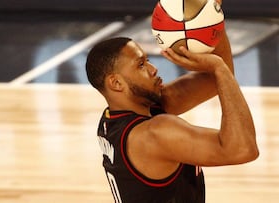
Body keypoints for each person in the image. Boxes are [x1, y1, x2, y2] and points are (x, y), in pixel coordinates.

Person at [85, 29, 259, 202]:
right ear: (116, 83)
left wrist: (213, 23)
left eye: (148, 60)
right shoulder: (154, 134)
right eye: (141, 65)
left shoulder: (114, 118)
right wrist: (219, 68)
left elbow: (213, 81)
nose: (153, 69)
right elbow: (242, 149)